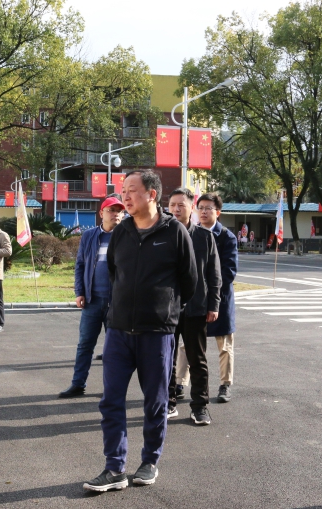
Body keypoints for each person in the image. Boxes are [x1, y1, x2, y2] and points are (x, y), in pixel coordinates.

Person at [83, 170, 197, 492]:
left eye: (131, 190)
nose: (125, 197)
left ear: (152, 194)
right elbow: (114, 272)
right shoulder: (121, 233)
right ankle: (114, 468)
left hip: (157, 333)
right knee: (111, 401)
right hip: (118, 331)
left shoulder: (175, 233)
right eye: (123, 191)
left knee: (155, 402)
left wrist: (166, 312)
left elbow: (189, 282)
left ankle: (149, 461)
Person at [58, 195, 125, 398]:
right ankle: (78, 383)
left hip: (117, 303)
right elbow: (80, 265)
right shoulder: (89, 236)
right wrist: (79, 291)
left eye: (120, 211)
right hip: (92, 301)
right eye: (112, 210)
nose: (116, 214)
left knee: (114, 349)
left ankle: (112, 389)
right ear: (101, 214)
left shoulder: (126, 237)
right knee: (85, 345)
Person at [166, 188, 221, 425]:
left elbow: (214, 274)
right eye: (172, 205)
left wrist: (214, 304)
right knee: (165, 358)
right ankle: (167, 403)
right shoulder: (162, 234)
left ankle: (200, 407)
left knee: (197, 359)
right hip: (167, 307)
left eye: (181, 205)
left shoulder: (204, 237)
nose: (177, 209)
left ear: (192, 207)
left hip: (197, 307)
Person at [196, 193, 238, 402]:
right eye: (201, 207)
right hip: (195, 299)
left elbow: (229, 271)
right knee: (188, 344)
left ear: (217, 212)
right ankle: (179, 383)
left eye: (208, 208)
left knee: (225, 345)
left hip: (219, 298)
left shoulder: (227, 237)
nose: (204, 212)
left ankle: (225, 384)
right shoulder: (190, 234)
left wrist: (210, 292)